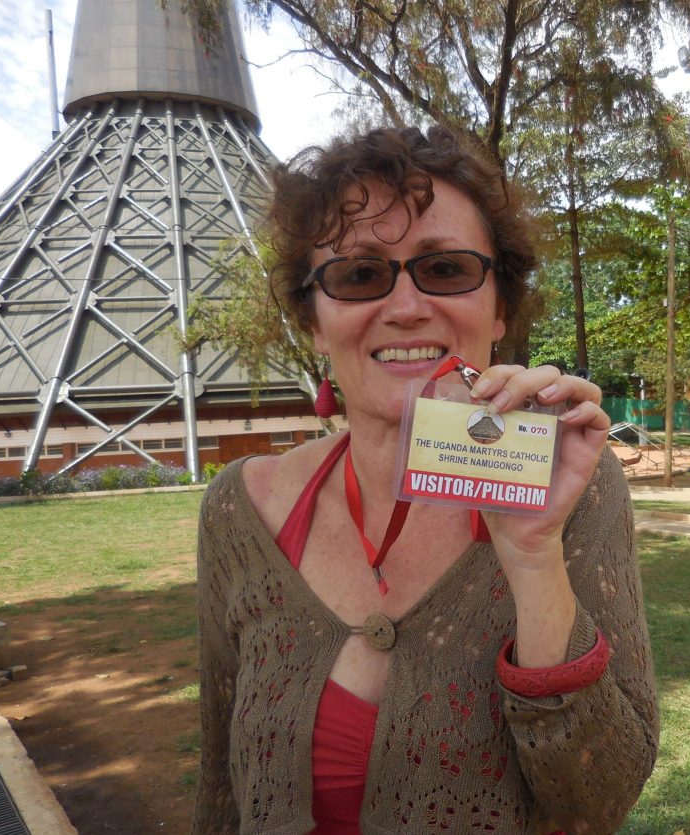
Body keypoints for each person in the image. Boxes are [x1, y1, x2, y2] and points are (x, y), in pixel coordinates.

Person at [191, 126, 658, 835]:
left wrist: (531, 557)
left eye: (443, 269)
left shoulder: (573, 487)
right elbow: (221, 786)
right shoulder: (239, 510)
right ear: (314, 320)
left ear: (498, 307)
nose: (405, 305)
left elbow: (599, 800)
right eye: (358, 274)